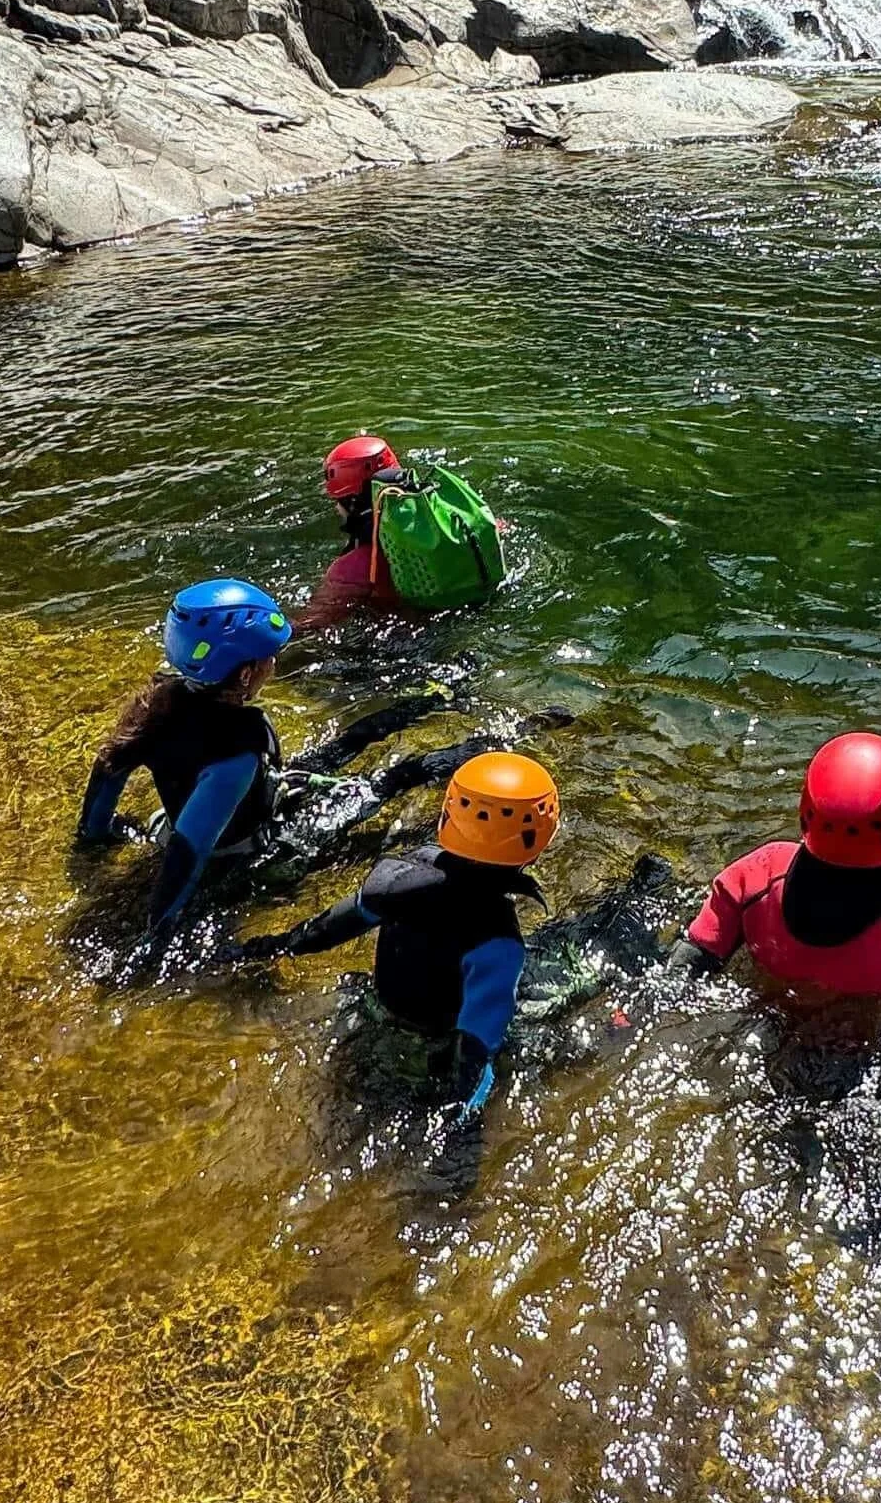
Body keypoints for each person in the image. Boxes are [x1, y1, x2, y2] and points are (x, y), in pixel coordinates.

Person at [235, 751, 561, 1110]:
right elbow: (478, 1044)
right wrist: (465, 1121)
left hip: (373, 1011)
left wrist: (258, 950)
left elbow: (321, 932)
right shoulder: (499, 940)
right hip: (428, 1047)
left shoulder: (401, 876)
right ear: (536, 842)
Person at [676, 732, 881, 1132]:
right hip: (847, 1064)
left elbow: (690, 961)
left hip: (760, 1039)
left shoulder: (756, 874)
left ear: (805, 812)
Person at [74, 577, 294, 936]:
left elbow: (109, 767)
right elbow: (189, 848)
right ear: (243, 674)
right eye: (269, 657)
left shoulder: (157, 703)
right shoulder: (240, 746)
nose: (273, 663)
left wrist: (94, 835)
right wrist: (158, 930)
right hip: (232, 858)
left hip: (166, 827)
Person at [300, 432, 406, 628]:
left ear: (351, 503)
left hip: (398, 642)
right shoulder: (438, 527)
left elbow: (312, 624)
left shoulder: (352, 567)